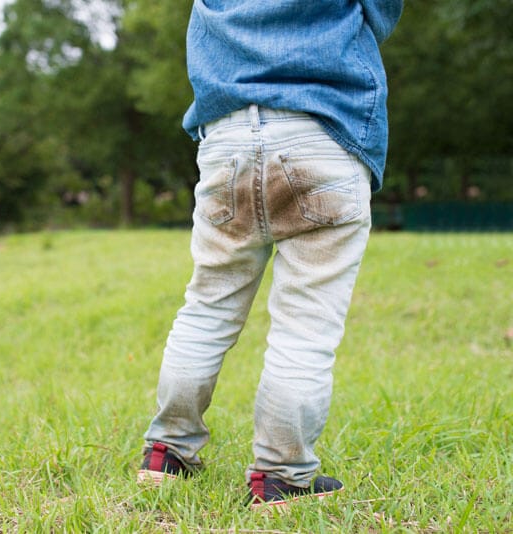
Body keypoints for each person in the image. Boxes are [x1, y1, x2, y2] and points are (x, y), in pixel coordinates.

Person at [137, 1, 404, 508]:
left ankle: (166, 454)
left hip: (226, 141)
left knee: (206, 310)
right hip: (323, 131)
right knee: (306, 327)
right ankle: (282, 478)